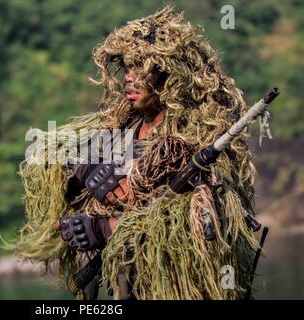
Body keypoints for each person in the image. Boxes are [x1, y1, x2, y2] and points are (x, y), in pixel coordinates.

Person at [14, 6, 259, 300]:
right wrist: (75, 183)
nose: (129, 78)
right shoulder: (120, 133)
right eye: (127, 68)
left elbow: (208, 221)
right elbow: (70, 191)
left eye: (141, 68)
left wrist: (108, 227)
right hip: (129, 286)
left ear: (170, 75)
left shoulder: (195, 141)